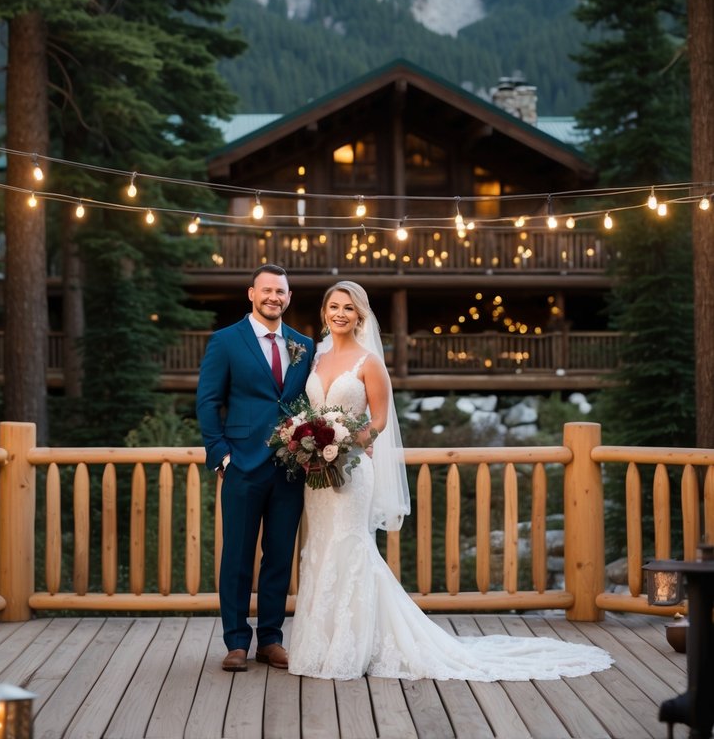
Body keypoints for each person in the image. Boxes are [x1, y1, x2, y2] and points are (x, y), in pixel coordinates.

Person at [288, 280, 614, 682]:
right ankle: (319, 644)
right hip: (317, 474)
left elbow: (380, 422)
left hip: (353, 471)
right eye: (334, 306)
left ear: (360, 316)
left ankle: (353, 647)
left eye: (348, 308)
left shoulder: (369, 362)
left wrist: (347, 441)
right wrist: (309, 442)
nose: (340, 313)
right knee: (320, 547)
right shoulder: (315, 360)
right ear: (325, 312)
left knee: (350, 547)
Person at [196, 263, 314, 672]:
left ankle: (271, 639)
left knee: (280, 555)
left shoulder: (304, 345)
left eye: (280, 292)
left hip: (290, 468)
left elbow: (308, 402)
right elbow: (208, 402)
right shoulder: (226, 341)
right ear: (251, 294)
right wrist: (221, 455)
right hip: (242, 465)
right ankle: (235, 642)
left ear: (288, 297)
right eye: (266, 290)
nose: (273, 298)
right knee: (238, 555)